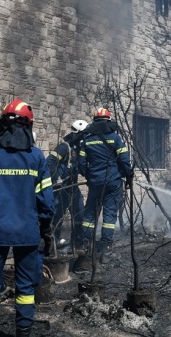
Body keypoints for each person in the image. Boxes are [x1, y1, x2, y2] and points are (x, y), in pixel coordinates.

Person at [0, 98, 54, 337]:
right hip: (28, 232)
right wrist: (46, 228)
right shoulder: (37, 158)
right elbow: (46, 201)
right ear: (28, 126)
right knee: (26, 287)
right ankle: (24, 331)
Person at [76, 108, 133, 265]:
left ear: (94, 122)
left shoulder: (86, 141)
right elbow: (124, 160)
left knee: (89, 215)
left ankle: (86, 249)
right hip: (113, 182)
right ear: (108, 121)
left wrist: (90, 176)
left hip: (95, 182)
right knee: (109, 216)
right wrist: (128, 176)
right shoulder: (115, 139)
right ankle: (106, 251)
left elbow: (81, 165)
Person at [46, 119, 88, 254]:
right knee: (57, 216)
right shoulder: (65, 147)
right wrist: (56, 177)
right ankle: (52, 245)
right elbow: (49, 162)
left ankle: (77, 243)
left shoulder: (80, 149)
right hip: (61, 189)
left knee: (80, 215)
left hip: (73, 188)